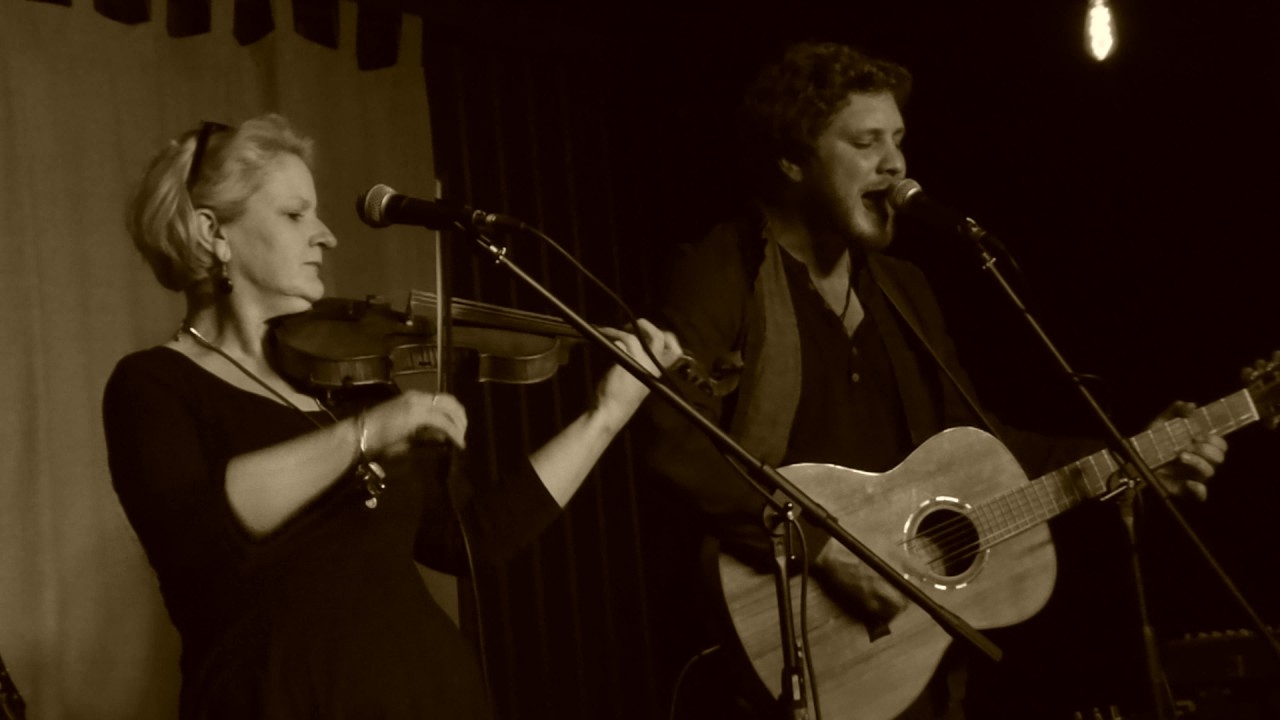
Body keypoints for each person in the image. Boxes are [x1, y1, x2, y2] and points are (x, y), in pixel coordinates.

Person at [639, 42, 1228, 719]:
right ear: (791, 162)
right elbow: (671, 443)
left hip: (906, 672)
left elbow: (987, 450)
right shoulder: (723, 272)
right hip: (776, 659)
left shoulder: (903, 292)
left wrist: (1137, 454)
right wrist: (828, 549)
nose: (895, 165)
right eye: (866, 143)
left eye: (898, 140)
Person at [103, 114, 681, 719]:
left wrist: (605, 416)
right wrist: (368, 434)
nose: (326, 235)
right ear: (212, 232)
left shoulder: (347, 383)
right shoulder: (153, 385)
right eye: (296, 214)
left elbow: (472, 539)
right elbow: (199, 533)